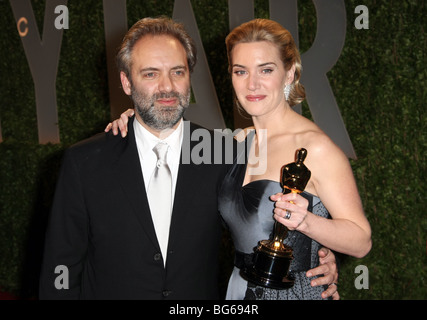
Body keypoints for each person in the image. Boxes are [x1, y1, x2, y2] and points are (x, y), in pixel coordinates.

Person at [44, 16, 337, 300]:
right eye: (150, 74)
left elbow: (255, 223)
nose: (167, 86)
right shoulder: (85, 162)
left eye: (177, 71)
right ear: (126, 82)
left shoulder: (223, 152)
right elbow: (61, 269)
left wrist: (318, 257)